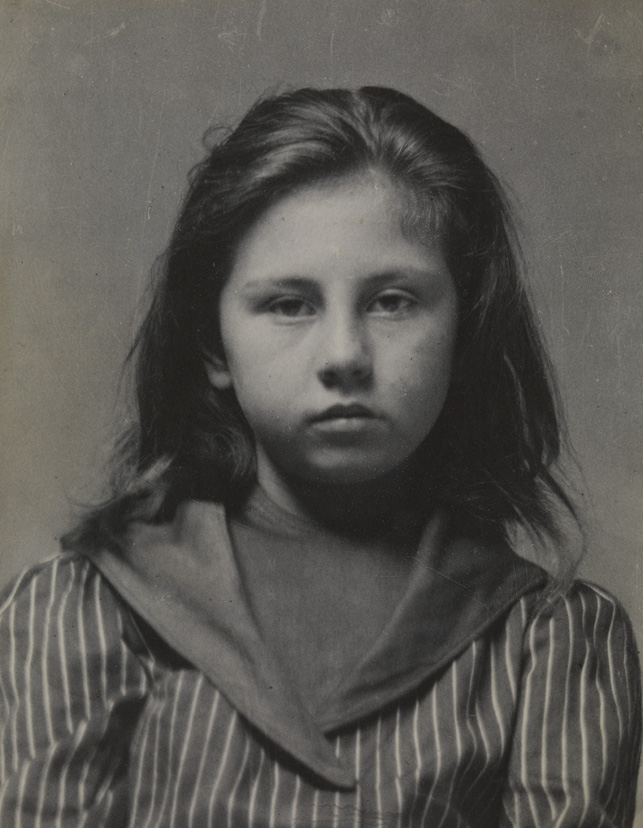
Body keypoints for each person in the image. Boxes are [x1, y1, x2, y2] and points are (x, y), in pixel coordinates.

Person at [0, 86, 640, 827]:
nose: (344, 356)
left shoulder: (547, 645)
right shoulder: (85, 609)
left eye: (392, 300)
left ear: (464, 335)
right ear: (213, 346)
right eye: (289, 304)